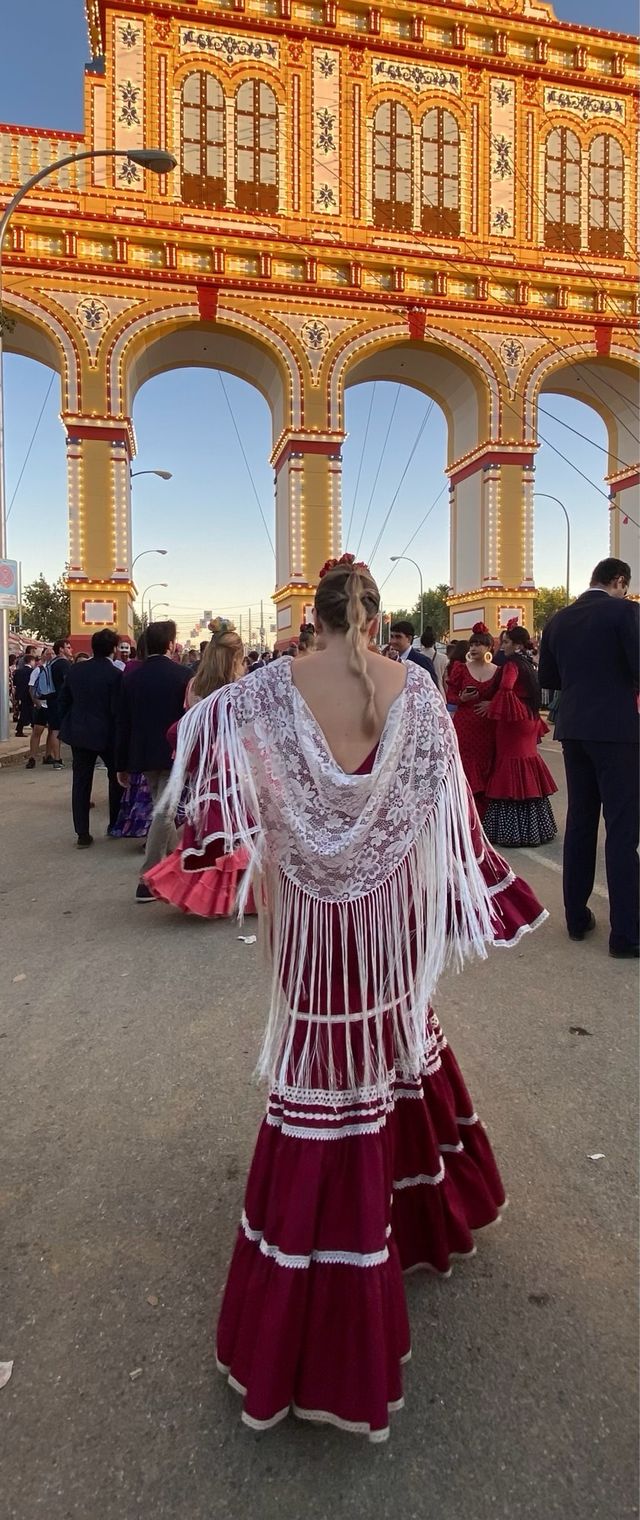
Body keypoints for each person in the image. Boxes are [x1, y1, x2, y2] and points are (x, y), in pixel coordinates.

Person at [161, 551, 546, 1441]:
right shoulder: (417, 695)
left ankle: (316, 1299)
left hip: (308, 936)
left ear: (316, 618)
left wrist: (268, 834)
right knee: (390, 1054)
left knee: (323, 1084)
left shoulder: (253, 695)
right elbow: (453, 825)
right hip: (389, 932)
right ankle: (410, 1229)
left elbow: (206, 782)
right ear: (374, 619)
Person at [539, 557, 639, 958]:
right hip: (617, 730)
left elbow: (548, 679)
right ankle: (626, 933)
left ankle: (577, 918)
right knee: (621, 828)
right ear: (618, 581)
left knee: (580, 821)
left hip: (574, 727)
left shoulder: (559, 620)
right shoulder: (625, 612)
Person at [145, 627, 256, 917]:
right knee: (242, 833)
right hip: (239, 772)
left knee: (212, 835)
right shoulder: (241, 691)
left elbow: (178, 731)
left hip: (208, 775)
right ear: (237, 658)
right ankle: (245, 898)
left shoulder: (196, 686)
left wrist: (193, 758)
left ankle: (214, 898)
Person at [116, 619, 191, 901]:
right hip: (174, 751)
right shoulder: (182, 675)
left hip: (144, 752)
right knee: (165, 810)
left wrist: (121, 763)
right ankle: (148, 876)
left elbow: (122, 722)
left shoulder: (132, 676)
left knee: (164, 806)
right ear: (171, 644)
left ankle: (177, 863)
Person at [483, 626, 557, 848]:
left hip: (513, 723)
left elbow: (506, 688)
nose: (502, 646)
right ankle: (534, 828)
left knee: (509, 767)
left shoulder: (512, 664)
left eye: (505, 642)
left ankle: (511, 831)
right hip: (529, 719)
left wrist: (494, 704)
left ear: (516, 644)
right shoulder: (528, 664)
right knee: (527, 764)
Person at [58, 629, 124, 847]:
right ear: (114, 649)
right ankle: (114, 824)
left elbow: (64, 701)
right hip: (107, 734)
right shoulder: (115, 675)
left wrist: (68, 722)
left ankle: (82, 833)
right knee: (116, 780)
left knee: (81, 782)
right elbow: (118, 709)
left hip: (79, 732)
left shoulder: (75, 671)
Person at [446, 624, 499, 814]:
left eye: (479, 644)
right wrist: (461, 698)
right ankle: (466, 813)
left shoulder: (498, 671)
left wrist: (492, 704)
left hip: (487, 727)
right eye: (472, 644)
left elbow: (505, 698)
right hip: (464, 725)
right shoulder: (460, 668)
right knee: (466, 769)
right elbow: (449, 696)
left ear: (489, 647)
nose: (474, 648)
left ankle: (484, 815)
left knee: (487, 767)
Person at [26, 649, 56, 769]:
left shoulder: (54, 669)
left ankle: (48, 755)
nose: (50, 655)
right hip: (42, 704)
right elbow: (31, 688)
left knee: (52, 731)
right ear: (43, 655)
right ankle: (32, 757)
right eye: (47, 653)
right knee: (38, 731)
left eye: (52, 653)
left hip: (52, 704)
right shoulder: (38, 670)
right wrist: (37, 703)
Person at [47, 637, 74, 767]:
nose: (71, 650)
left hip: (51, 699)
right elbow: (68, 682)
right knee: (57, 730)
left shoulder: (51, 663)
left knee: (54, 729)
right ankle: (57, 759)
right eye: (68, 647)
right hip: (60, 700)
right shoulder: (64, 664)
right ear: (61, 649)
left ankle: (55, 757)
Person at [389, 620, 438, 686]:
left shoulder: (423, 661)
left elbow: (432, 689)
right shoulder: (389, 660)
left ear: (409, 639)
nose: (393, 641)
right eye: (392, 636)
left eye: (398, 637)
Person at [420, 626, 448, 696]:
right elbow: (445, 681)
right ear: (434, 642)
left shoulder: (417, 657)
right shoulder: (443, 658)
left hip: (422, 692)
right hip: (439, 692)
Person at [13, 651, 36, 736]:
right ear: (31, 661)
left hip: (20, 694)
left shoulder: (18, 671)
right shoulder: (32, 672)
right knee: (26, 712)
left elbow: (15, 683)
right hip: (29, 694)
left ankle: (31, 726)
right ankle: (20, 730)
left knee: (27, 711)